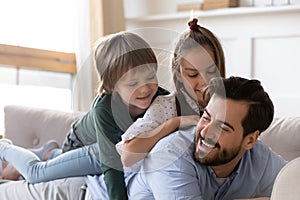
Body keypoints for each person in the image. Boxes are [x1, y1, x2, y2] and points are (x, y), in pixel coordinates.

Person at [0, 31, 169, 200]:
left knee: (65, 162)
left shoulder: (161, 98)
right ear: (111, 86)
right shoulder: (105, 109)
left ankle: (50, 153)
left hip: (107, 147)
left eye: (150, 77)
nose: (146, 88)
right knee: (36, 173)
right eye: (133, 83)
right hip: (83, 144)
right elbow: (111, 163)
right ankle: (4, 147)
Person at [127, 76, 287, 200]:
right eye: (206, 117)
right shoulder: (170, 157)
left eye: (222, 127)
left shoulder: (259, 157)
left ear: (250, 140)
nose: (205, 132)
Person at [116, 17, 226, 168]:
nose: (204, 82)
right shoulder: (166, 106)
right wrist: (175, 123)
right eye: (193, 75)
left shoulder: (228, 103)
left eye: (211, 71)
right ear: (179, 74)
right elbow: (128, 156)